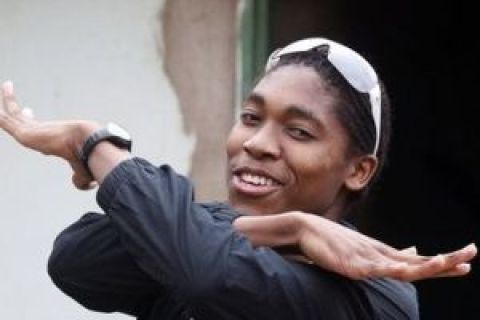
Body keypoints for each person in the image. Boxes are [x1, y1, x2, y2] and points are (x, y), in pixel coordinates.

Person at [0, 37, 476, 319]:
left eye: (298, 131)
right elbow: (77, 261)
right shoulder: (190, 243)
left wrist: (93, 142)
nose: (259, 143)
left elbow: (206, 274)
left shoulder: (377, 294)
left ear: (357, 170)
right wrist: (288, 228)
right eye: (250, 117)